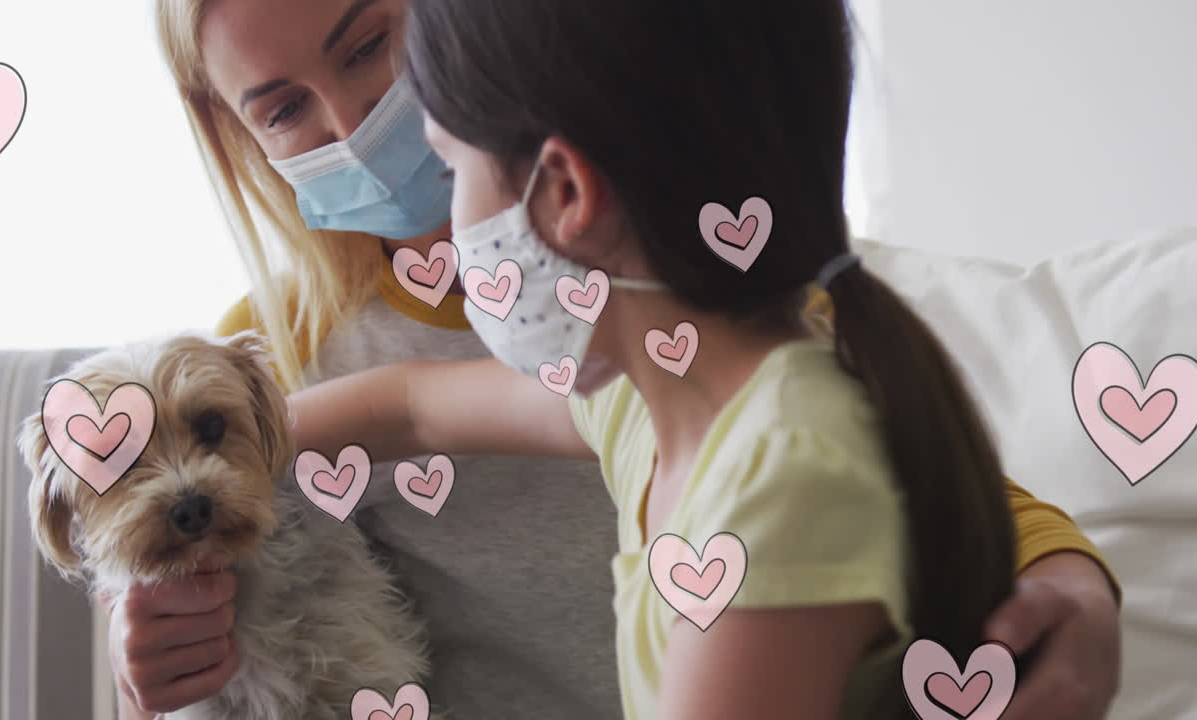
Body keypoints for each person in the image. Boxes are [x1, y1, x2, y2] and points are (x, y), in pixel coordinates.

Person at [99, 0, 1120, 718]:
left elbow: (906, 462)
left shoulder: (699, 292)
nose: (352, 128)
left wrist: (1069, 583)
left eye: (369, 44)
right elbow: (389, 415)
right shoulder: (250, 373)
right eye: (281, 108)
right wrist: (144, 627)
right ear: (230, 131)